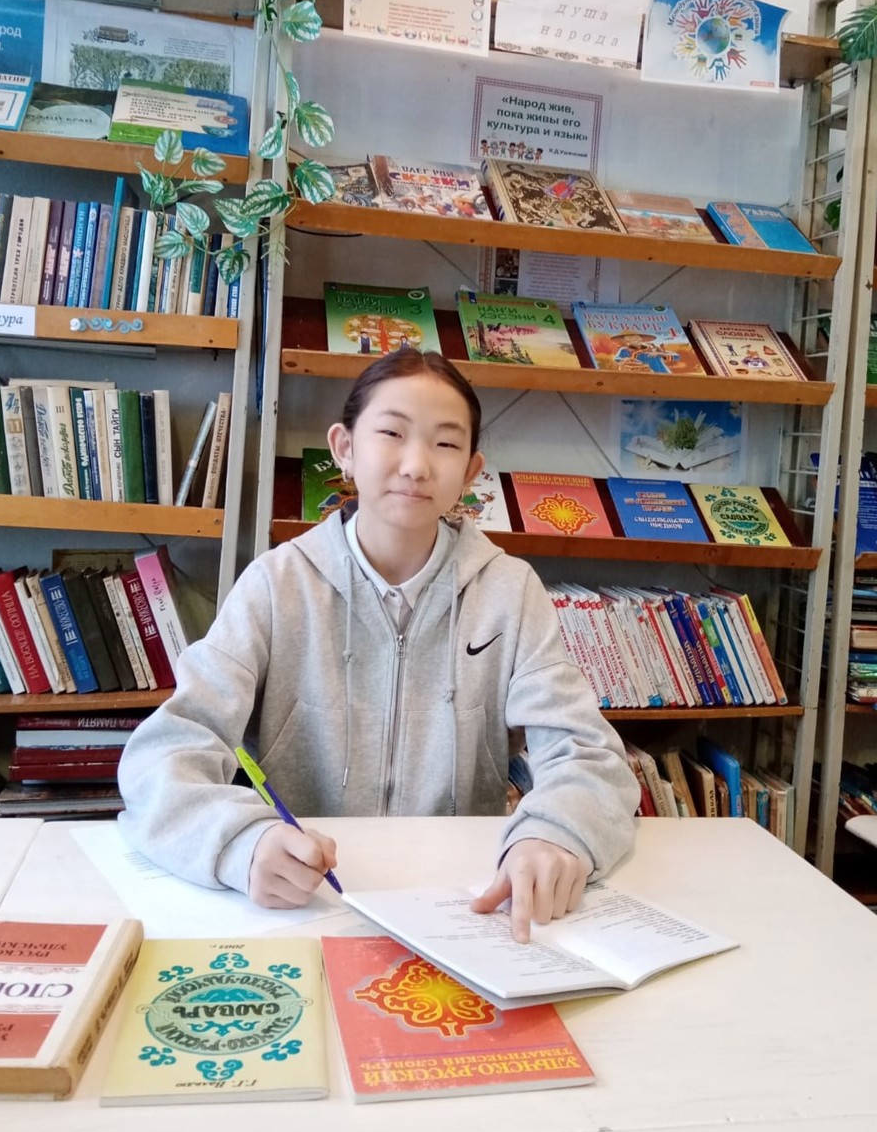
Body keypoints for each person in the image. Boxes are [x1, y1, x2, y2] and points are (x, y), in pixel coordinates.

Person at [117, 350, 639, 941]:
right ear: (344, 448)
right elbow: (164, 754)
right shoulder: (276, 584)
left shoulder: (509, 591)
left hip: (463, 907)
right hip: (304, 902)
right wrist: (242, 842)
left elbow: (589, 755)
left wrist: (557, 834)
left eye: (446, 444)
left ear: (471, 471)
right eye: (391, 433)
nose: (416, 465)